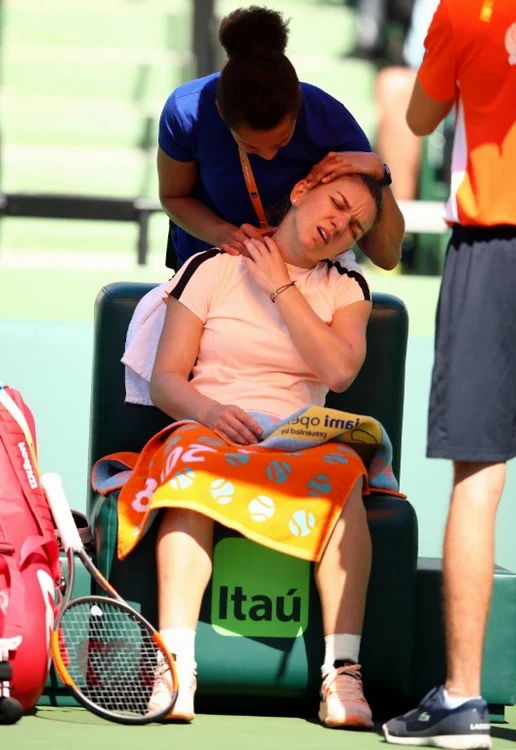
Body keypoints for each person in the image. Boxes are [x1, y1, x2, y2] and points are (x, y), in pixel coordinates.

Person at [122, 170, 385, 727]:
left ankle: (342, 675)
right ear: (300, 191)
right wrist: (210, 413)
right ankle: (175, 667)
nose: (339, 226)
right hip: (212, 427)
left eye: (354, 226)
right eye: (336, 205)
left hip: (302, 439)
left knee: (345, 474)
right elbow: (167, 378)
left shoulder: (347, 289)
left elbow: (338, 372)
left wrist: (280, 286)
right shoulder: (210, 267)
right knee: (188, 475)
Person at [383, 1, 516, 748]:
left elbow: (423, 115)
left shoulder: (463, 9)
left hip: (495, 247)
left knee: (480, 469)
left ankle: (463, 700)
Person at [157, 5, 404, 271]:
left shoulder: (332, 123)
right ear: (220, 112)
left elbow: (387, 257)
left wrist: (381, 174)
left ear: (299, 105)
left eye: (282, 141)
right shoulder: (187, 112)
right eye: (250, 145)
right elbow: (174, 197)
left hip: (305, 281)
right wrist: (223, 233)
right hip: (210, 273)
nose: (268, 155)